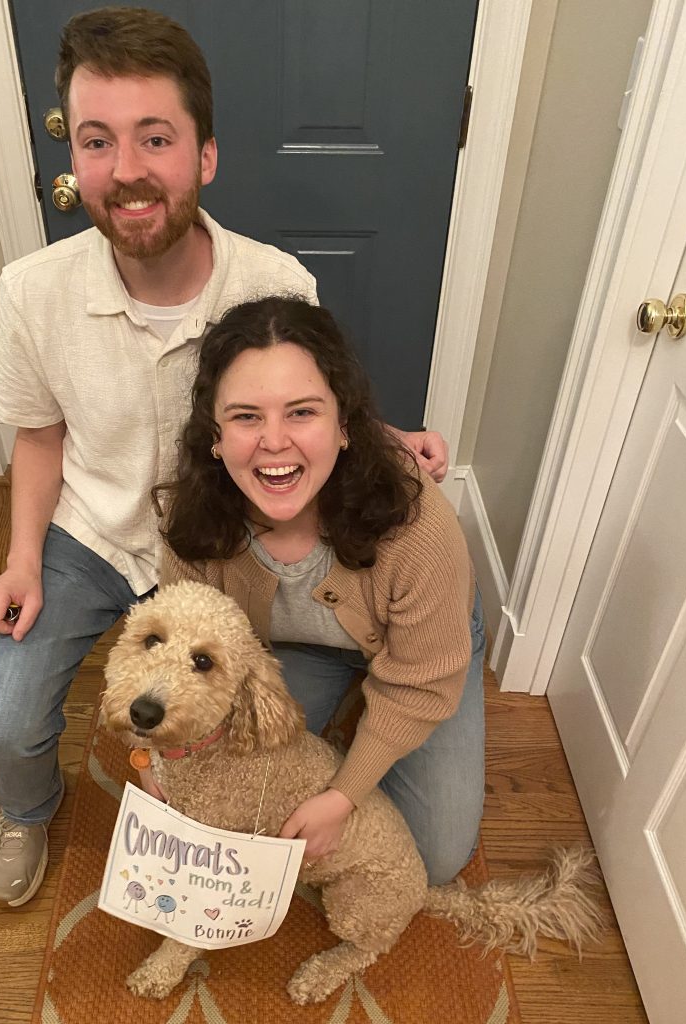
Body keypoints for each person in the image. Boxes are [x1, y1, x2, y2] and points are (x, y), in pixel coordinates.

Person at [0, 6, 450, 908]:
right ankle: (25, 809)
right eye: (99, 141)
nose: (129, 170)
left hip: (223, 548)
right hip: (91, 538)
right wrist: (23, 561)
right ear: (75, 160)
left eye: (156, 138)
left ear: (205, 157)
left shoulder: (273, 282)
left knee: (273, 738)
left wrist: (382, 436)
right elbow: (37, 435)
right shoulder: (29, 292)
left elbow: (305, 408)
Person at [157, 297, 485, 885]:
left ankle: (365, 724)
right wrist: (167, 755)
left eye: (301, 412)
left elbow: (418, 685)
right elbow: (181, 659)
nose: (274, 442)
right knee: (242, 786)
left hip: (421, 652)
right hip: (288, 647)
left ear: (344, 425)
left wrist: (341, 797)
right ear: (213, 434)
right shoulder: (196, 517)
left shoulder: (420, 531)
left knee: (435, 856)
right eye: (246, 417)